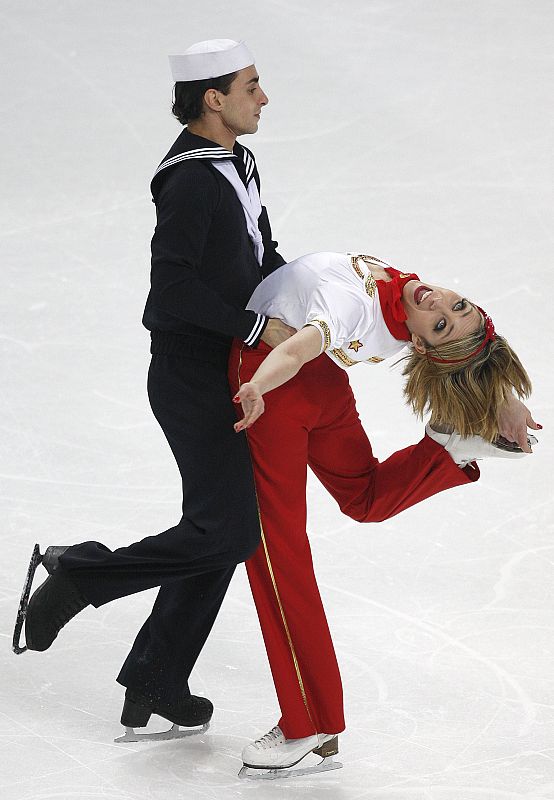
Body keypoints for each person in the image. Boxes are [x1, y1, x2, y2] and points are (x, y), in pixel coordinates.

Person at [14, 39, 294, 742]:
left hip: (229, 370)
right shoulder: (190, 181)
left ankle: (156, 676)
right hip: (189, 374)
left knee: (219, 530)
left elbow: (263, 256)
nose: (263, 98)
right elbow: (170, 287)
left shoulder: (238, 162)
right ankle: (81, 573)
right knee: (229, 530)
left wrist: (310, 311)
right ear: (213, 98)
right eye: (251, 86)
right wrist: (258, 324)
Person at [229, 252, 540, 775]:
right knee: (365, 496)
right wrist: (499, 394)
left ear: (419, 345)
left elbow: (303, 345)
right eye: (456, 304)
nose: (439, 301)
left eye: (441, 323)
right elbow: (466, 345)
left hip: (277, 382)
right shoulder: (404, 291)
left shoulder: (351, 304)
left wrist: (259, 384)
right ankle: (448, 447)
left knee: (274, 553)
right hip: (322, 387)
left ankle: (308, 723)